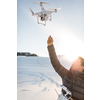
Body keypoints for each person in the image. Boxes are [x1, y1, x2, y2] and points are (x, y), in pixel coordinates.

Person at [47, 35, 84, 100]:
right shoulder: (66, 74)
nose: (73, 62)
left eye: (76, 62)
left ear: (82, 67)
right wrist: (50, 46)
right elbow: (56, 63)